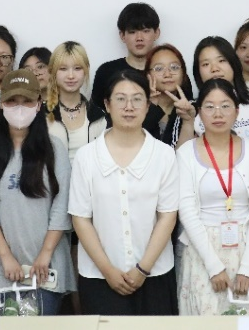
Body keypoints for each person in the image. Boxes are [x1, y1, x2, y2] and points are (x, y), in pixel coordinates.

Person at [68, 70, 179, 315]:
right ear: (107, 105)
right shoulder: (87, 157)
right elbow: (80, 218)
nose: (129, 107)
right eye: (120, 99)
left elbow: (167, 216)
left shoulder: (164, 155)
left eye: (137, 99)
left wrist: (143, 269)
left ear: (148, 105)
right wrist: (108, 270)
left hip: (155, 275)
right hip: (99, 277)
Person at [0, 69, 75, 315]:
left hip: (47, 268)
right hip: (4, 269)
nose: (19, 107)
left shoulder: (54, 149)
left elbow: (62, 207)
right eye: (12, 101)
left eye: (27, 101)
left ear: (39, 103)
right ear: (1, 104)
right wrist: (6, 257)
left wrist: (45, 254)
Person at [192, 36, 249, 313]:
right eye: (205, 64)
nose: (215, 68)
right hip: (207, 230)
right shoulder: (193, 111)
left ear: (233, 64)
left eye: (221, 60)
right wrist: (186, 120)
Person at [177, 79, 249, 315]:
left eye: (225, 106)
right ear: (199, 112)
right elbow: (187, 212)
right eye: (209, 107)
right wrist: (213, 266)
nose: (217, 113)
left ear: (237, 111)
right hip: (203, 251)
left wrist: (247, 268)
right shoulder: (186, 153)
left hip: (245, 247)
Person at [46, 41, 107, 165]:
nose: (71, 76)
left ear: (86, 70)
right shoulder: (41, 114)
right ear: (53, 72)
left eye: (77, 68)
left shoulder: (98, 116)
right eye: (63, 69)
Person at [90, 2, 160, 108]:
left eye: (146, 31)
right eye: (132, 32)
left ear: (156, 33)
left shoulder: (168, 74)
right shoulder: (106, 71)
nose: (139, 38)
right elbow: (95, 113)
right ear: (122, 35)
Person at [144, 43, 195, 148]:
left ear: (183, 73)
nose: (167, 74)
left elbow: (187, 155)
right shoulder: (135, 108)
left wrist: (188, 121)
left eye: (174, 67)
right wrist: (151, 109)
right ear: (148, 75)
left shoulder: (193, 109)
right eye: (159, 69)